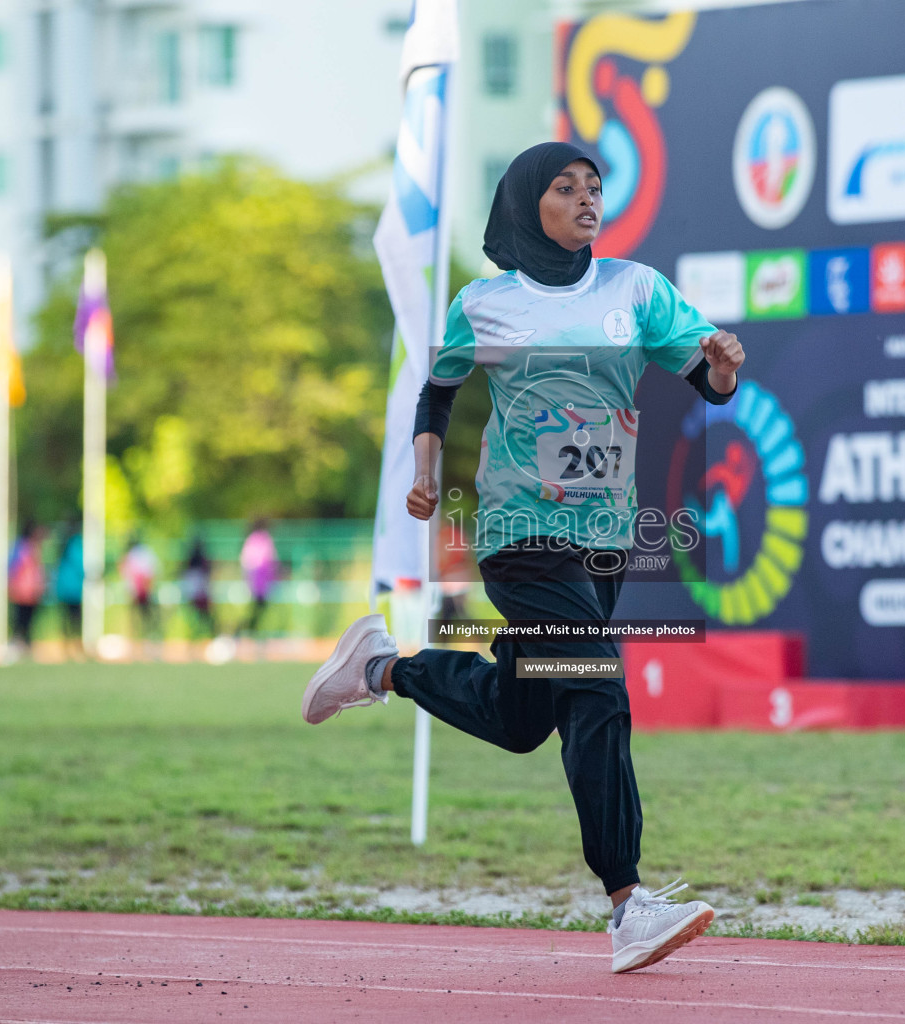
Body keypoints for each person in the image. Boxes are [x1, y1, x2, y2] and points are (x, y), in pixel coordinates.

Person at [302, 142, 744, 973]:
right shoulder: (486, 303)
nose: (587, 200)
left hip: (604, 542)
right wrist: (427, 470)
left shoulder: (637, 291)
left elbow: (702, 376)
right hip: (519, 536)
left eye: (595, 188)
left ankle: (381, 668)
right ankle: (628, 904)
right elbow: (439, 388)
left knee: (520, 716)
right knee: (596, 693)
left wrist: (721, 373)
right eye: (565, 187)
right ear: (523, 204)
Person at [8, 522, 47, 657]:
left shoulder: (34, 547)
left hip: (32, 592)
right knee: (20, 620)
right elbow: (15, 569)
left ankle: (26, 646)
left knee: (28, 621)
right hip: (22, 592)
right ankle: (16, 645)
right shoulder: (23, 547)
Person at [237, 520, 278, 643]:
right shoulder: (264, 540)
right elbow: (271, 560)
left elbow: (246, 562)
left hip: (257, 583)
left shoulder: (253, 540)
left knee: (258, 611)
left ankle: (251, 633)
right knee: (258, 611)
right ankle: (250, 633)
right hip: (261, 583)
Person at [120, 534, 160, 654]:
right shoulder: (145, 553)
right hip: (143, 592)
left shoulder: (132, 555)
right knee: (147, 621)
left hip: (138, 592)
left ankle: (138, 646)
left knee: (138, 621)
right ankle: (147, 645)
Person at [54, 522, 85, 660]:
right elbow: (79, 565)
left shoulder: (63, 545)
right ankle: (77, 648)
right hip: (74, 590)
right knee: (76, 621)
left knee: (66, 620)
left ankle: (66, 648)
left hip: (63, 588)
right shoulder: (75, 544)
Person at [181, 536, 215, 639]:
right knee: (204, 615)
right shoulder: (201, 560)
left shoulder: (191, 559)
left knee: (197, 614)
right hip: (200, 590)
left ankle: (198, 634)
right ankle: (202, 634)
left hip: (195, 590)